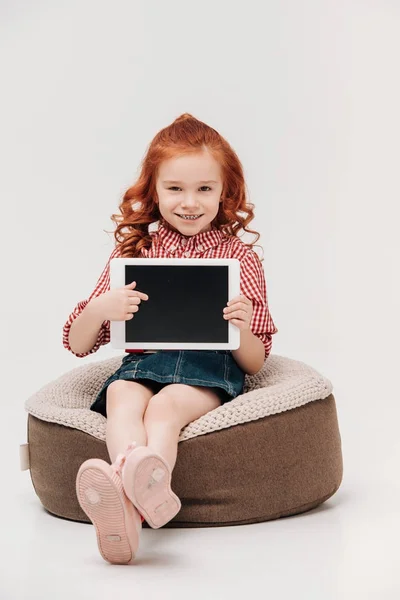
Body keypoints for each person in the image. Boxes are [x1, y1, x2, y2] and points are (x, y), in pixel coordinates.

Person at [63, 113, 278, 565]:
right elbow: (79, 342)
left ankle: (132, 498)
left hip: (208, 368)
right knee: (122, 393)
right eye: (175, 188)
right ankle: (132, 500)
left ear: (225, 192)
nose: (190, 203)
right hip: (145, 362)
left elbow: (256, 361)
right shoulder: (135, 253)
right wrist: (101, 309)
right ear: (153, 191)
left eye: (205, 188)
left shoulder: (239, 257)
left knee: (165, 407)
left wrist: (239, 328)